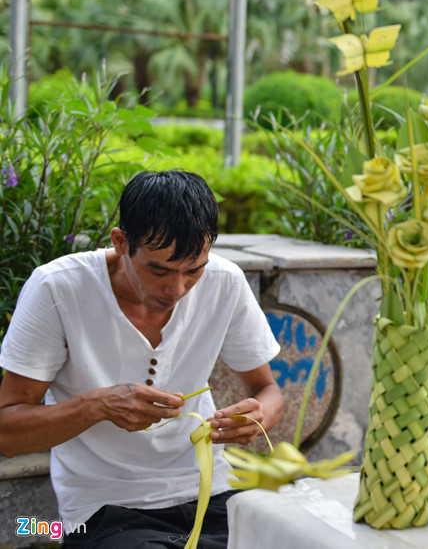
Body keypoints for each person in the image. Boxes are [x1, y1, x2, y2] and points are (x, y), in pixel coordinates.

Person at [0, 170, 283, 548]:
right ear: (121, 242)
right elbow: (7, 433)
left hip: (213, 492)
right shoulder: (58, 287)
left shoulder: (225, 282)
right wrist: (97, 405)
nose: (177, 289)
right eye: (159, 269)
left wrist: (257, 416)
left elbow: (267, 389)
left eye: (194, 270)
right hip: (102, 513)